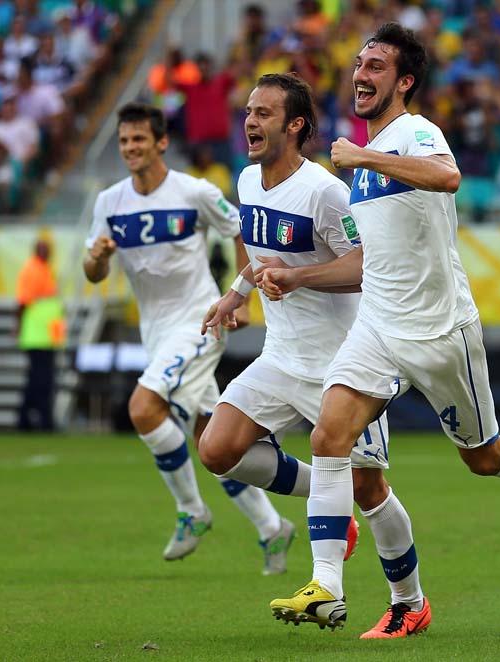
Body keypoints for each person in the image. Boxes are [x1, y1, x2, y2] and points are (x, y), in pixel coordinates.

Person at [262, 22, 500, 632]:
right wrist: (299, 276)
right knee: (329, 438)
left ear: (404, 82)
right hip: (379, 327)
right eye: (359, 64)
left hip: (441, 332)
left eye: (377, 67)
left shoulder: (414, 132)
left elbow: (448, 177)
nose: (361, 74)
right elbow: (370, 258)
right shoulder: (361, 166)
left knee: (485, 457)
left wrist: (363, 155)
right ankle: (336, 590)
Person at [197, 72, 427, 640]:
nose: (250, 121)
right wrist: (237, 292)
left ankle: (410, 602)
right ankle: (331, 505)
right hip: (283, 356)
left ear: (295, 125)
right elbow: (261, 250)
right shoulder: (249, 180)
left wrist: (298, 279)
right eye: (249, 111)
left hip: (344, 362)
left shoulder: (325, 191)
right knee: (218, 448)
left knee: (370, 489)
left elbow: (366, 266)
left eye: (264, 113)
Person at [82, 102, 293, 574]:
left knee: (143, 407)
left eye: (139, 139)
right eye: (123, 141)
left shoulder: (193, 192)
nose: (130, 148)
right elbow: (92, 273)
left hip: (199, 322)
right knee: (212, 443)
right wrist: (97, 257)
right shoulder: (109, 202)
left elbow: (240, 229)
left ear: (160, 143)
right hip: (155, 333)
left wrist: (239, 297)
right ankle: (271, 527)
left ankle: (192, 511)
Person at [16, 239, 65, 431]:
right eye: (43, 248)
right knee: (40, 380)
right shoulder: (32, 269)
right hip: (37, 335)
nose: (46, 251)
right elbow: (23, 301)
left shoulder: (45, 268)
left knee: (40, 380)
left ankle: (29, 420)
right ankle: (41, 421)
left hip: (46, 335)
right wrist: (18, 326)